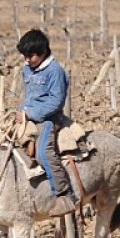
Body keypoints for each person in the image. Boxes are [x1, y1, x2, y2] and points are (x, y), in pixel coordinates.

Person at [15, 29, 76, 217]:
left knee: (43, 153)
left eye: (30, 56)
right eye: (24, 56)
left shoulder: (56, 72)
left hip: (48, 119)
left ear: (43, 52)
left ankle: (64, 195)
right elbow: (28, 95)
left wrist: (31, 113)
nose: (27, 60)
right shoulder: (27, 69)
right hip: (26, 115)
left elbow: (56, 102)